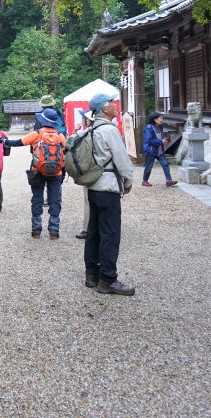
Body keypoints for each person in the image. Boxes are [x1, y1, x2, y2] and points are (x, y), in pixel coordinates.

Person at [83, 92, 135, 296]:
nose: (115, 106)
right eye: (112, 104)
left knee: (93, 231)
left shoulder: (91, 129)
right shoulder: (109, 130)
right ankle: (108, 279)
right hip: (108, 187)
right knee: (110, 234)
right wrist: (128, 180)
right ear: (104, 109)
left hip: (93, 186)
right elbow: (122, 159)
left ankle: (92, 275)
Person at [5, 107, 66, 239]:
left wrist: (4, 141)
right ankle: (54, 230)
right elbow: (66, 152)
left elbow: (18, 142)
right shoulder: (60, 136)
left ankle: (36, 230)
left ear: (43, 121)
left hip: (37, 171)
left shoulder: (37, 134)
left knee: (37, 199)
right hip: (56, 173)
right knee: (54, 200)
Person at [142, 111, 178, 187]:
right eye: (160, 118)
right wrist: (161, 141)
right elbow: (149, 140)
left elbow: (159, 137)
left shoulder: (160, 126)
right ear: (155, 119)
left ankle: (168, 180)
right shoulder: (149, 128)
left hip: (160, 150)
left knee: (165, 164)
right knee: (148, 167)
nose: (162, 119)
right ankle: (144, 181)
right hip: (151, 151)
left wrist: (163, 140)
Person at [75, 109, 93, 240]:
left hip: (89, 173)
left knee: (88, 201)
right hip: (106, 173)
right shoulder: (107, 131)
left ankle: (87, 229)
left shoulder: (85, 134)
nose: (82, 120)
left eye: (84, 118)